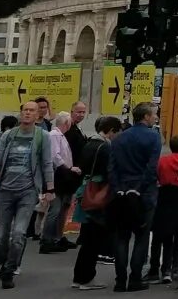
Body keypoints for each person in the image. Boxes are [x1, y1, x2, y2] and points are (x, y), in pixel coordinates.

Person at [0, 102, 54, 289]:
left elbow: (47, 164)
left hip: (28, 191)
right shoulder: (8, 136)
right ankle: (1, 261)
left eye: (31, 111)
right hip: (5, 191)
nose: (27, 113)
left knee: (18, 233)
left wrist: (49, 189)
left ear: (37, 116)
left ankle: (9, 270)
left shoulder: (43, 136)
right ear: (20, 113)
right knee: (0, 235)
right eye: (25, 110)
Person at [105, 104, 162, 292]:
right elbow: (152, 168)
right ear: (146, 116)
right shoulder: (153, 136)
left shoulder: (119, 138)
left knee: (121, 237)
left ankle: (120, 280)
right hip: (143, 193)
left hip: (120, 192)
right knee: (142, 236)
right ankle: (135, 278)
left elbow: (111, 168)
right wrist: (138, 189)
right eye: (154, 114)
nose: (156, 118)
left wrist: (119, 189)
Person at [71, 117, 124, 291]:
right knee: (94, 239)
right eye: (118, 132)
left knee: (87, 238)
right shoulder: (105, 148)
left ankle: (79, 276)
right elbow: (110, 173)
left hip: (86, 191)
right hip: (98, 194)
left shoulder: (89, 144)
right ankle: (87, 278)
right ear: (111, 130)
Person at [148, 136, 178, 283]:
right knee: (174, 237)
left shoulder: (162, 161)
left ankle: (155, 269)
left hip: (163, 197)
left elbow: (157, 175)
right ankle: (171, 268)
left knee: (158, 237)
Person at [39, 112, 80, 253]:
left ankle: (54, 238)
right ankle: (47, 239)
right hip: (58, 177)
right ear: (66, 123)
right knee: (55, 210)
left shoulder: (59, 135)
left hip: (61, 177)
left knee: (60, 208)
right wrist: (68, 167)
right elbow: (55, 155)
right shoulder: (55, 136)